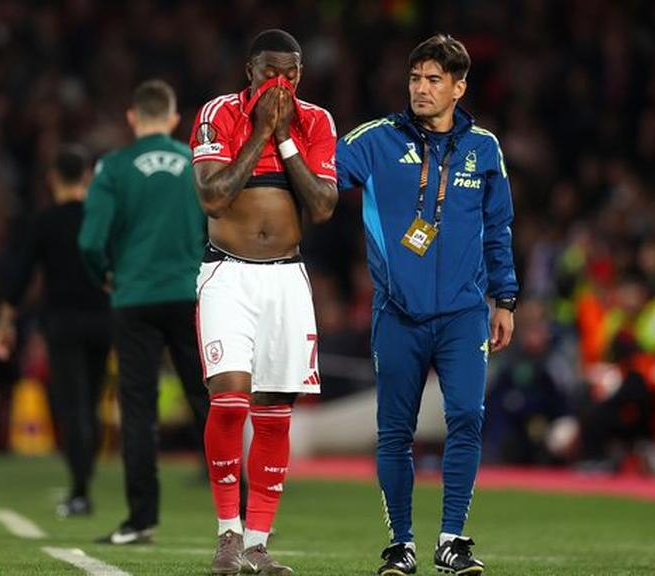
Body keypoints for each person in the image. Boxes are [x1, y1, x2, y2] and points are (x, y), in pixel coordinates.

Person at [335, 35, 519, 575]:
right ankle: (401, 543)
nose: (421, 88)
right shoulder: (374, 140)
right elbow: (321, 179)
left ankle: (452, 539)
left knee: (466, 417)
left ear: (459, 88)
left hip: (464, 313)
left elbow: (499, 227)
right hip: (397, 312)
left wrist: (505, 299)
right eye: (415, 77)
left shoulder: (484, 148)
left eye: (434, 79)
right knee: (395, 431)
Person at [189, 29, 337, 575]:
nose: (282, 83)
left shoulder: (316, 121)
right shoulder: (219, 114)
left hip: (286, 280)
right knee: (229, 401)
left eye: (291, 73)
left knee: (274, 415)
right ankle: (227, 533)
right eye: (272, 72)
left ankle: (257, 543)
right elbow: (213, 195)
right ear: (249, 70)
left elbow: (322, 205)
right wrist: (260, 134)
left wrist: (286, 140)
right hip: (227, 275)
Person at [78, 79, 209, 544]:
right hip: (191, 293)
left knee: (137, 409)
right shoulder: (197, 162)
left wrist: (106, 276)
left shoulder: (113, 167)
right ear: (173, 119)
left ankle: (140, 520)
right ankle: (240, 518)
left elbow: (90, 241)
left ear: (132, 118)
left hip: (133, 298)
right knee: (209, 403)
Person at [0, 146, 110, 517]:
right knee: (90, 403)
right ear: (87, 176)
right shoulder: (102, 218)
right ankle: (85, 475)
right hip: (103, 320)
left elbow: (21, 275)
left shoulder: (45, 222)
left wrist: (4, 321)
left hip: (63, 323)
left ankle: (80, 488)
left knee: (72, 406)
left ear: (53, 178)